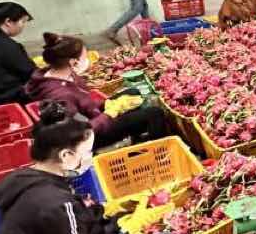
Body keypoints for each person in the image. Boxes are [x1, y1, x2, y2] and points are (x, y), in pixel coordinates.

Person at [0, 101, 184, 234]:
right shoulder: (56, 205)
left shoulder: (26, 177)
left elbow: (77, 223)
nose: (90, 159)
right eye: (88, 153)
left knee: (122, 223)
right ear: (66, 156)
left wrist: (111, 210)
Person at [25, 33, 169, 149]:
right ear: (72, 62)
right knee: (154, 114)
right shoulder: (60, 94)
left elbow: (83, 100)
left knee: (132, 92)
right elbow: (81, 131)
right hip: (88, 137)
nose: (88, 60)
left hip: (90, 115)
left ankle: (136, 139)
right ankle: (161, 153)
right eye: (84, 56)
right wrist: (109, 114)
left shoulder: (58, 73)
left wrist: (106, 103)